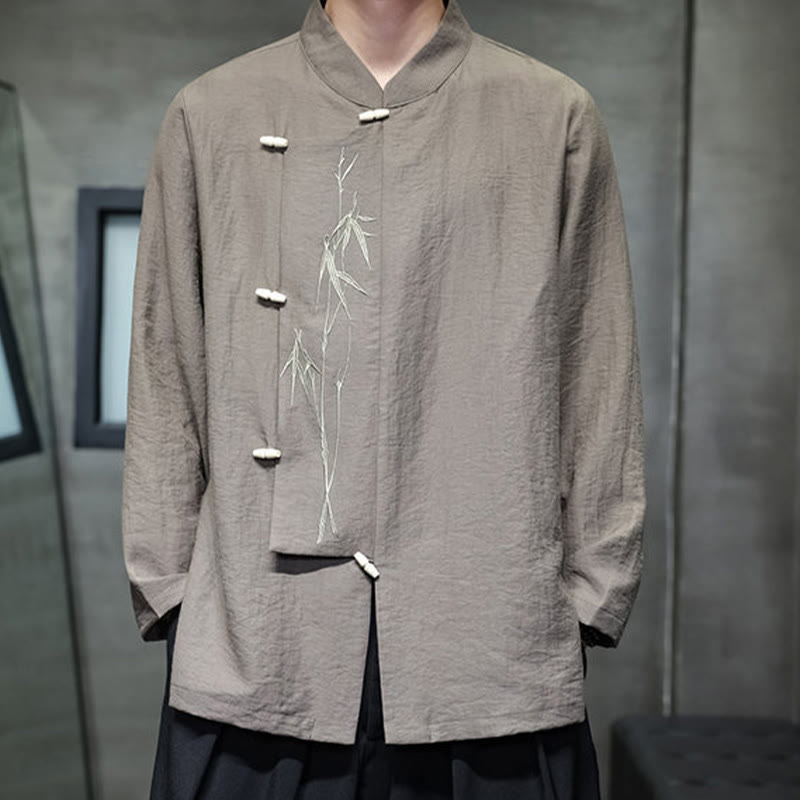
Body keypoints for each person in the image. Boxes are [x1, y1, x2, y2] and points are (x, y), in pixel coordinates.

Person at [122, 0, 646, 797]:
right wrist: (172, 593)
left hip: (489, 647)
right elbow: (165, 364)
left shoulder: (551, 117)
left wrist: (588, 596)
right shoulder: (213, 112)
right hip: (258, 645)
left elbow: (598, 363)